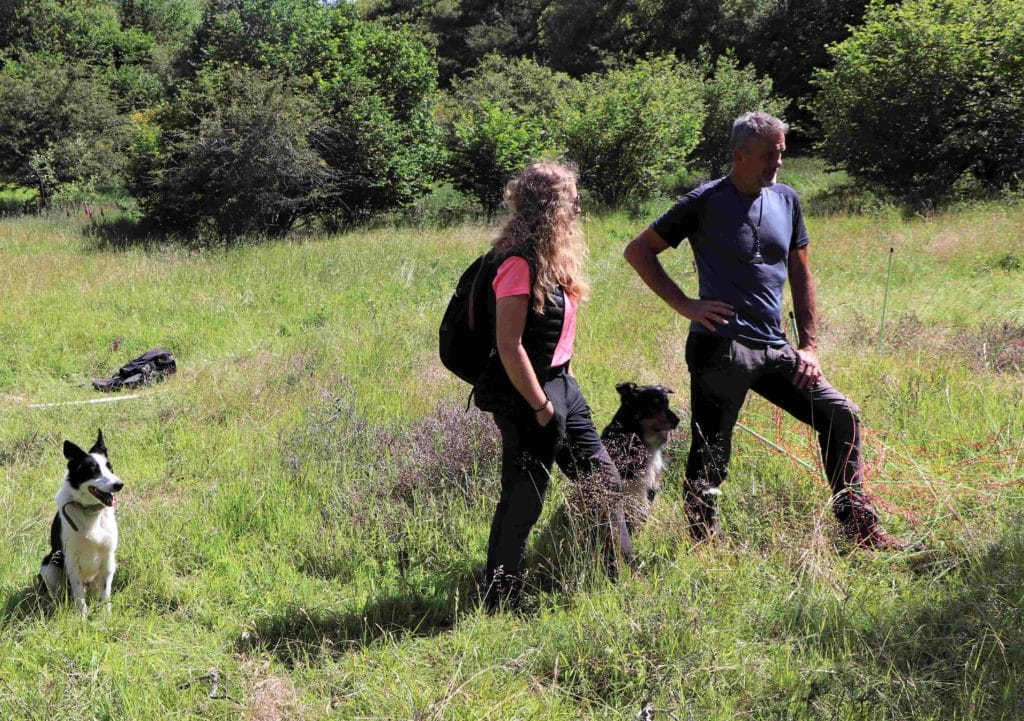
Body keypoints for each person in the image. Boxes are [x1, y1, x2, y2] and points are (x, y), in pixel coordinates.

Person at [623, 112, 905, 549]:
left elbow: (801, 272)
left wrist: (809, 345)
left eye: (781, 154)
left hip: (775, 347)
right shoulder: (703, 202)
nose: (778, 164)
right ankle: (704, 538)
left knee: (840, 414)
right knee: (712, 451)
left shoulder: (787, 200)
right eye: (770, 156)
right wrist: (686, 305)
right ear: (740, 155)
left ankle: (858, 527)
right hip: (721, 347)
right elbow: (639, 250)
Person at [474, 161, 635, 612]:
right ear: (551, 206)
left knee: (603, 477)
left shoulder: (550, 257)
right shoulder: (518, 264)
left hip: (563, 384)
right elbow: (509, 346)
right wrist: (542, 408)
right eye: (571, 197)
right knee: (524, 500)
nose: (579, 204)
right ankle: (499, 600)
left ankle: (621, 575)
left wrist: (557, 395)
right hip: (529, 395)